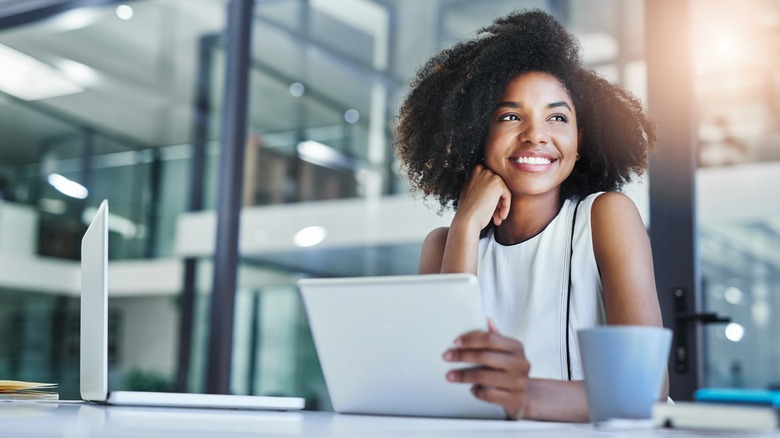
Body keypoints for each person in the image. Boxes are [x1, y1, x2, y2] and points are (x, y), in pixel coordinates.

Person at [394, 10, 665, 422]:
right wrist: (465, 227)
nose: (536, 134)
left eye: (557, 117)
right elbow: (444, 386)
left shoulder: (605, 217)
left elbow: (646, 389)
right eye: (510, 116)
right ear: (475, 135)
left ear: (579, 142)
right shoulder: (443, 245)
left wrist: (525, 396)